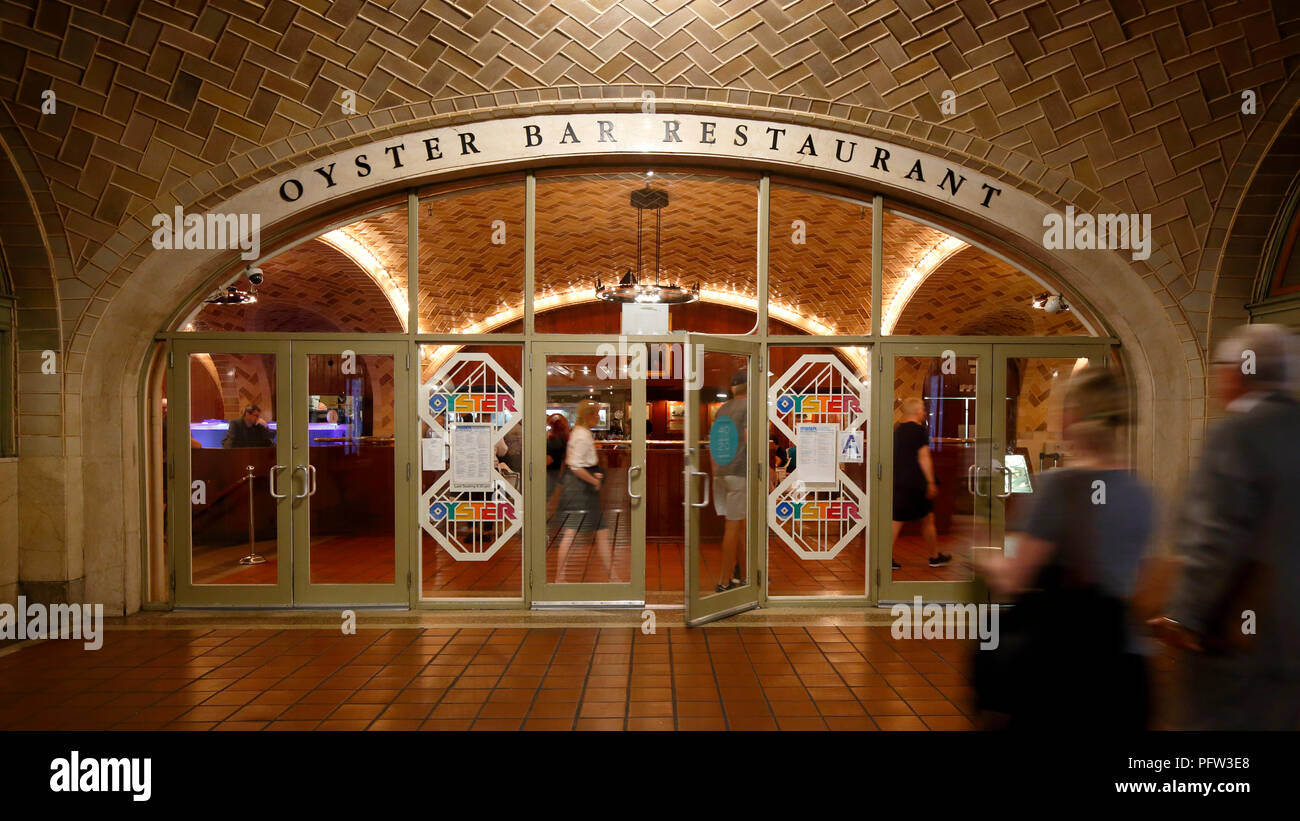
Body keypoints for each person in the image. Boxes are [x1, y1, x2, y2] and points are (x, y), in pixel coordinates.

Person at [974, 367, 1154, 729]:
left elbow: (1015, 581)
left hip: (1061, 665)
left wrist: (982, 555)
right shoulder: (1141, 492)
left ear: (1072, 418)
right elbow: (1144, 580)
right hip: (1123, 663)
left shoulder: (1059, 487)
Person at [1150, 324, 1300, 730]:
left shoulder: (1237, 432)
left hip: (1243, 636)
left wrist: (1185, 614)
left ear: (1236, 372)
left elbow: (1215, 533)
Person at [890, 398, 947, 569]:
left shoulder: (897, 430)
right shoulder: (920, 431)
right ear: (916, 412)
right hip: (916, 481)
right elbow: (924, 457)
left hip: (898, 479)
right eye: (922, 409)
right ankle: (935, 557)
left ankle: (884, 557)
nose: (924, 412)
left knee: (896, 519)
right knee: (927, 518)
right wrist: (930, 481)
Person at [556, 400, 610, 561]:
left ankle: (613, 576)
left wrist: (594, 475)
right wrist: (594, 481)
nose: (598, 416)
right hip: (581, 491)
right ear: (589, 415)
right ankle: (560, 577)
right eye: (596, 413)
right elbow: (576, 466)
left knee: (595, 532)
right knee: (572, 533)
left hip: (579, 489)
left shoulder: (580, 432)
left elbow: (578, 463)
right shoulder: (582, 435)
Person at [712, 370, 748, 591]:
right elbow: (749, 439)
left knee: (740, 525)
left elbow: (714, 441)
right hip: (740, 473)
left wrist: (715, 471)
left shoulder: (722, 409)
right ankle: (723, 581)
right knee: (733, 527)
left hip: (722, 472)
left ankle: (744, 575)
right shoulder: (749, 407)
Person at [545, 413, 570, 516]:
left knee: (545, 498)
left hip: (550, 473)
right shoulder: (564, 438)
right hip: (558, 473)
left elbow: (547, 460)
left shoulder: (553, 441)